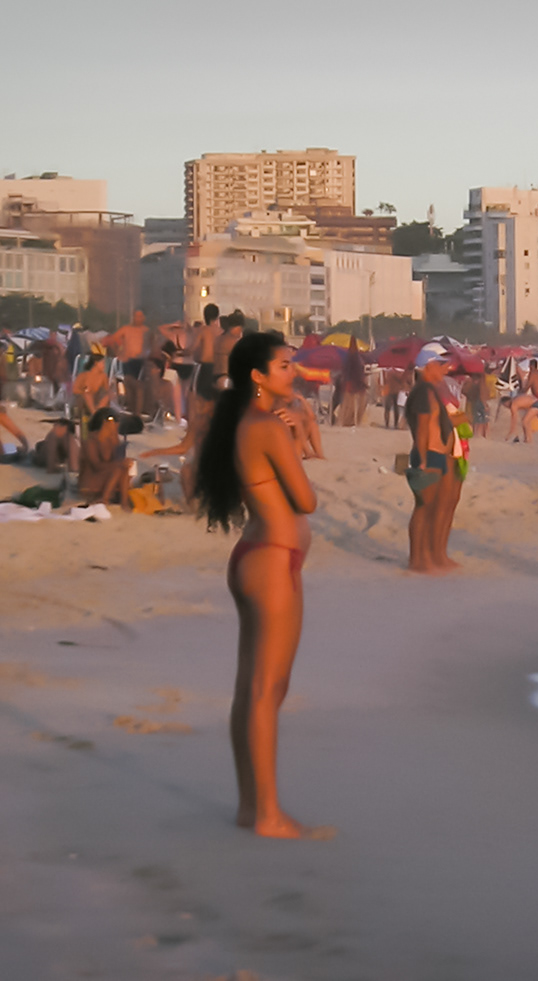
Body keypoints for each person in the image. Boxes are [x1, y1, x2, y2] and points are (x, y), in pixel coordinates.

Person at [193, 330, 327, 840]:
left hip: (257, 556)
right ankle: (268, 814)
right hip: (273, 561)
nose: (293, 372)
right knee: (267, 689)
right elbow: (306, 500)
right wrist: (295, 438)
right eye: (285, 366)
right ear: (258, 375)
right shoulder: (266, 425)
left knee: (254, 688)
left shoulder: (244, 420)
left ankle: (252, 806)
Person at [405, 344, 460, 573]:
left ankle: (428, 556)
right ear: (429, 366)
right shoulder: (423, 392)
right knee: (424, 508)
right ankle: (417, 559)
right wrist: (423, 460)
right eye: (441, 364)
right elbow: (422, 428)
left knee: (433, 507)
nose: (446, 368)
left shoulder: (430, 390)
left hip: (437, 454)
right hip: (428, 455)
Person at [79, 408, 130, 507]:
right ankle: (105, 498)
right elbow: (96, 466)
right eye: (112, 420)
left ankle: (124, 501)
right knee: (119, 467)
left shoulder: (112, 439)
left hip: (105, 479)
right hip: (90, 483)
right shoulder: (90, 441)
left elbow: (117, 459)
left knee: (124, 467)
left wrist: (115, 441)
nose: (116, 424)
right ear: (103, 422)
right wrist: (119, 463)